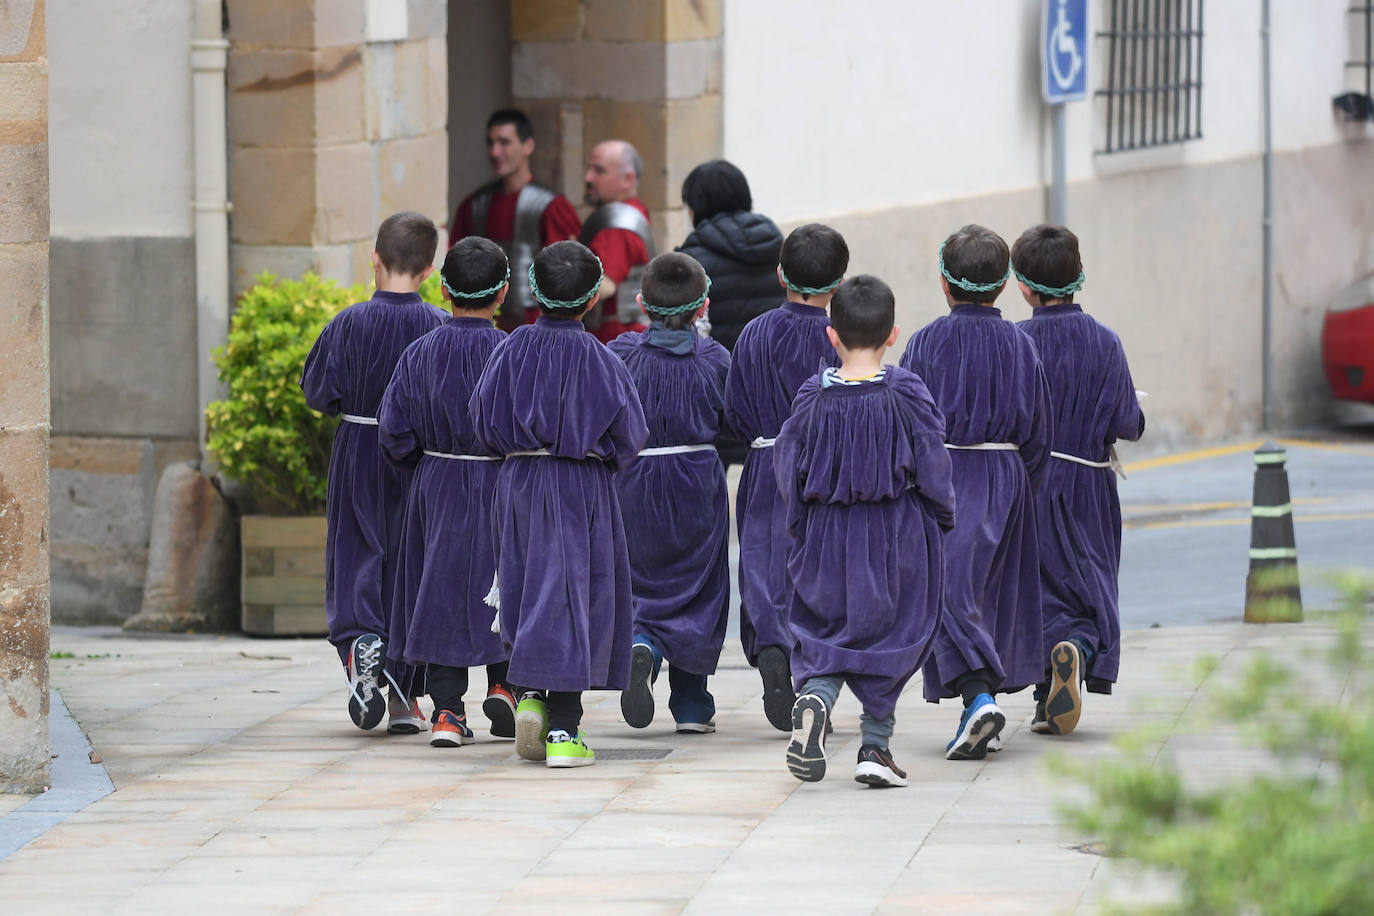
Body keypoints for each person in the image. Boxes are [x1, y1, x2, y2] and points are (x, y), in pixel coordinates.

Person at [469, 240, 648, 768]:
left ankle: (527, 694)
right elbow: (629, 435)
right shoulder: (602, 356)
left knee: (521, 583)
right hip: (580, 484)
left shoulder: (510, 348)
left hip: (519, 479)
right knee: (574, 594)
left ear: (532, 291)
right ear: (593, 297)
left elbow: (482, 420)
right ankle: (564, 730)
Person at [775, 275, 955, 787]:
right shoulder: (907, 392)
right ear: (893, 335)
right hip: (895, 532)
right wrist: (943, 516)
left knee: (829, 629)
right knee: (893, 634)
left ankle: (818, 697)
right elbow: (933, 462)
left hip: (826, 534)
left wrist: (798, 525)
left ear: (831, 335)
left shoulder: (813, 395)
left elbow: (789, 465)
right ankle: (875, 747)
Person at [899, 224, 1053, 760]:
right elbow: (1039, 429)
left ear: (945, 283)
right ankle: (978, 700)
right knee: (987, 595)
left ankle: (977, 696)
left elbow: (909, 423)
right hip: (1007, 476)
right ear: (1005, 284)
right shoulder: (1021, 343)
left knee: (945, 591)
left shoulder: (923, 342)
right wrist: (1020, 483)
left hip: (944, 477)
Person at [301, 211, 449, 734]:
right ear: (430, 270)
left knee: (357, 549)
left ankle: (362, 642)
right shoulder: (438, 327)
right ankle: (405, 694)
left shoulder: (347, 324)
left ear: (374, 258)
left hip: (359, 445)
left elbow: (318, 391)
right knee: (411, 562)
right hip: (418, 458)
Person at [377, 237, 516, 748]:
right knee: (503, 580)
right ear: (502, 292)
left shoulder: (421, 352)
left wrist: (425, 461)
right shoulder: (511, 350)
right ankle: (505, 686)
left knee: (439, 588)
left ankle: (447, 713)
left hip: (436, 481)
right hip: (503, 481)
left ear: (442, 287)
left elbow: (393, 431)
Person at [1011, 224, 1145, 736]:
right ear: (1079, 275)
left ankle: (1048, 690)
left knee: (1038, 587)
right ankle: (1080, 651)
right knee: (1089, 586)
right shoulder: (1105, 343)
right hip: (1088, 487)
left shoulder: (1018, 342)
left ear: (1022, 286)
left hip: (1031, 483)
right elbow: (1126, 423)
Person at [724, 223, 846, 732]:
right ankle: (808, 675)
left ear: (779, 274)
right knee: (817, 571)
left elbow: (733, 409)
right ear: (838, 285)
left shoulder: (754, 332)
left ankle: (771, 646)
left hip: (764, 461)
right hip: (822, 469)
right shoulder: (838, 338)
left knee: (763, 564)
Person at [609, 253, 731, 734]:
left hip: (635, 479)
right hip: (697, 479)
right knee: (701, 586)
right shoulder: (715, 359)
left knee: (641, 578)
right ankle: (692, 703)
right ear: (703, 306)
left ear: (641, 303)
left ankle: (643, 642)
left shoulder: (621, 354)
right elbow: (734, 420)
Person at [450, 109, 582, 331]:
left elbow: (565, 277)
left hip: (536, 325)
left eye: (504, 142)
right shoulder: (474, 205)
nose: (495, 151)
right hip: (483, 323)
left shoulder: (552, 206)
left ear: (528, 146)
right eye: (491, 143)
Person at [676, 160, 785, 353]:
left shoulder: (691, 259)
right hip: (776, 367)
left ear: (697, 207)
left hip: (723, 373)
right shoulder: (775, 243)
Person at [580, 140, 655, 343]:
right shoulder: (633, 212)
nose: (588, 178)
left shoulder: (619, 223)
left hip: (615, 340)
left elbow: (603, 286)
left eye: (599, 171)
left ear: (628, 179)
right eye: (589, 169)